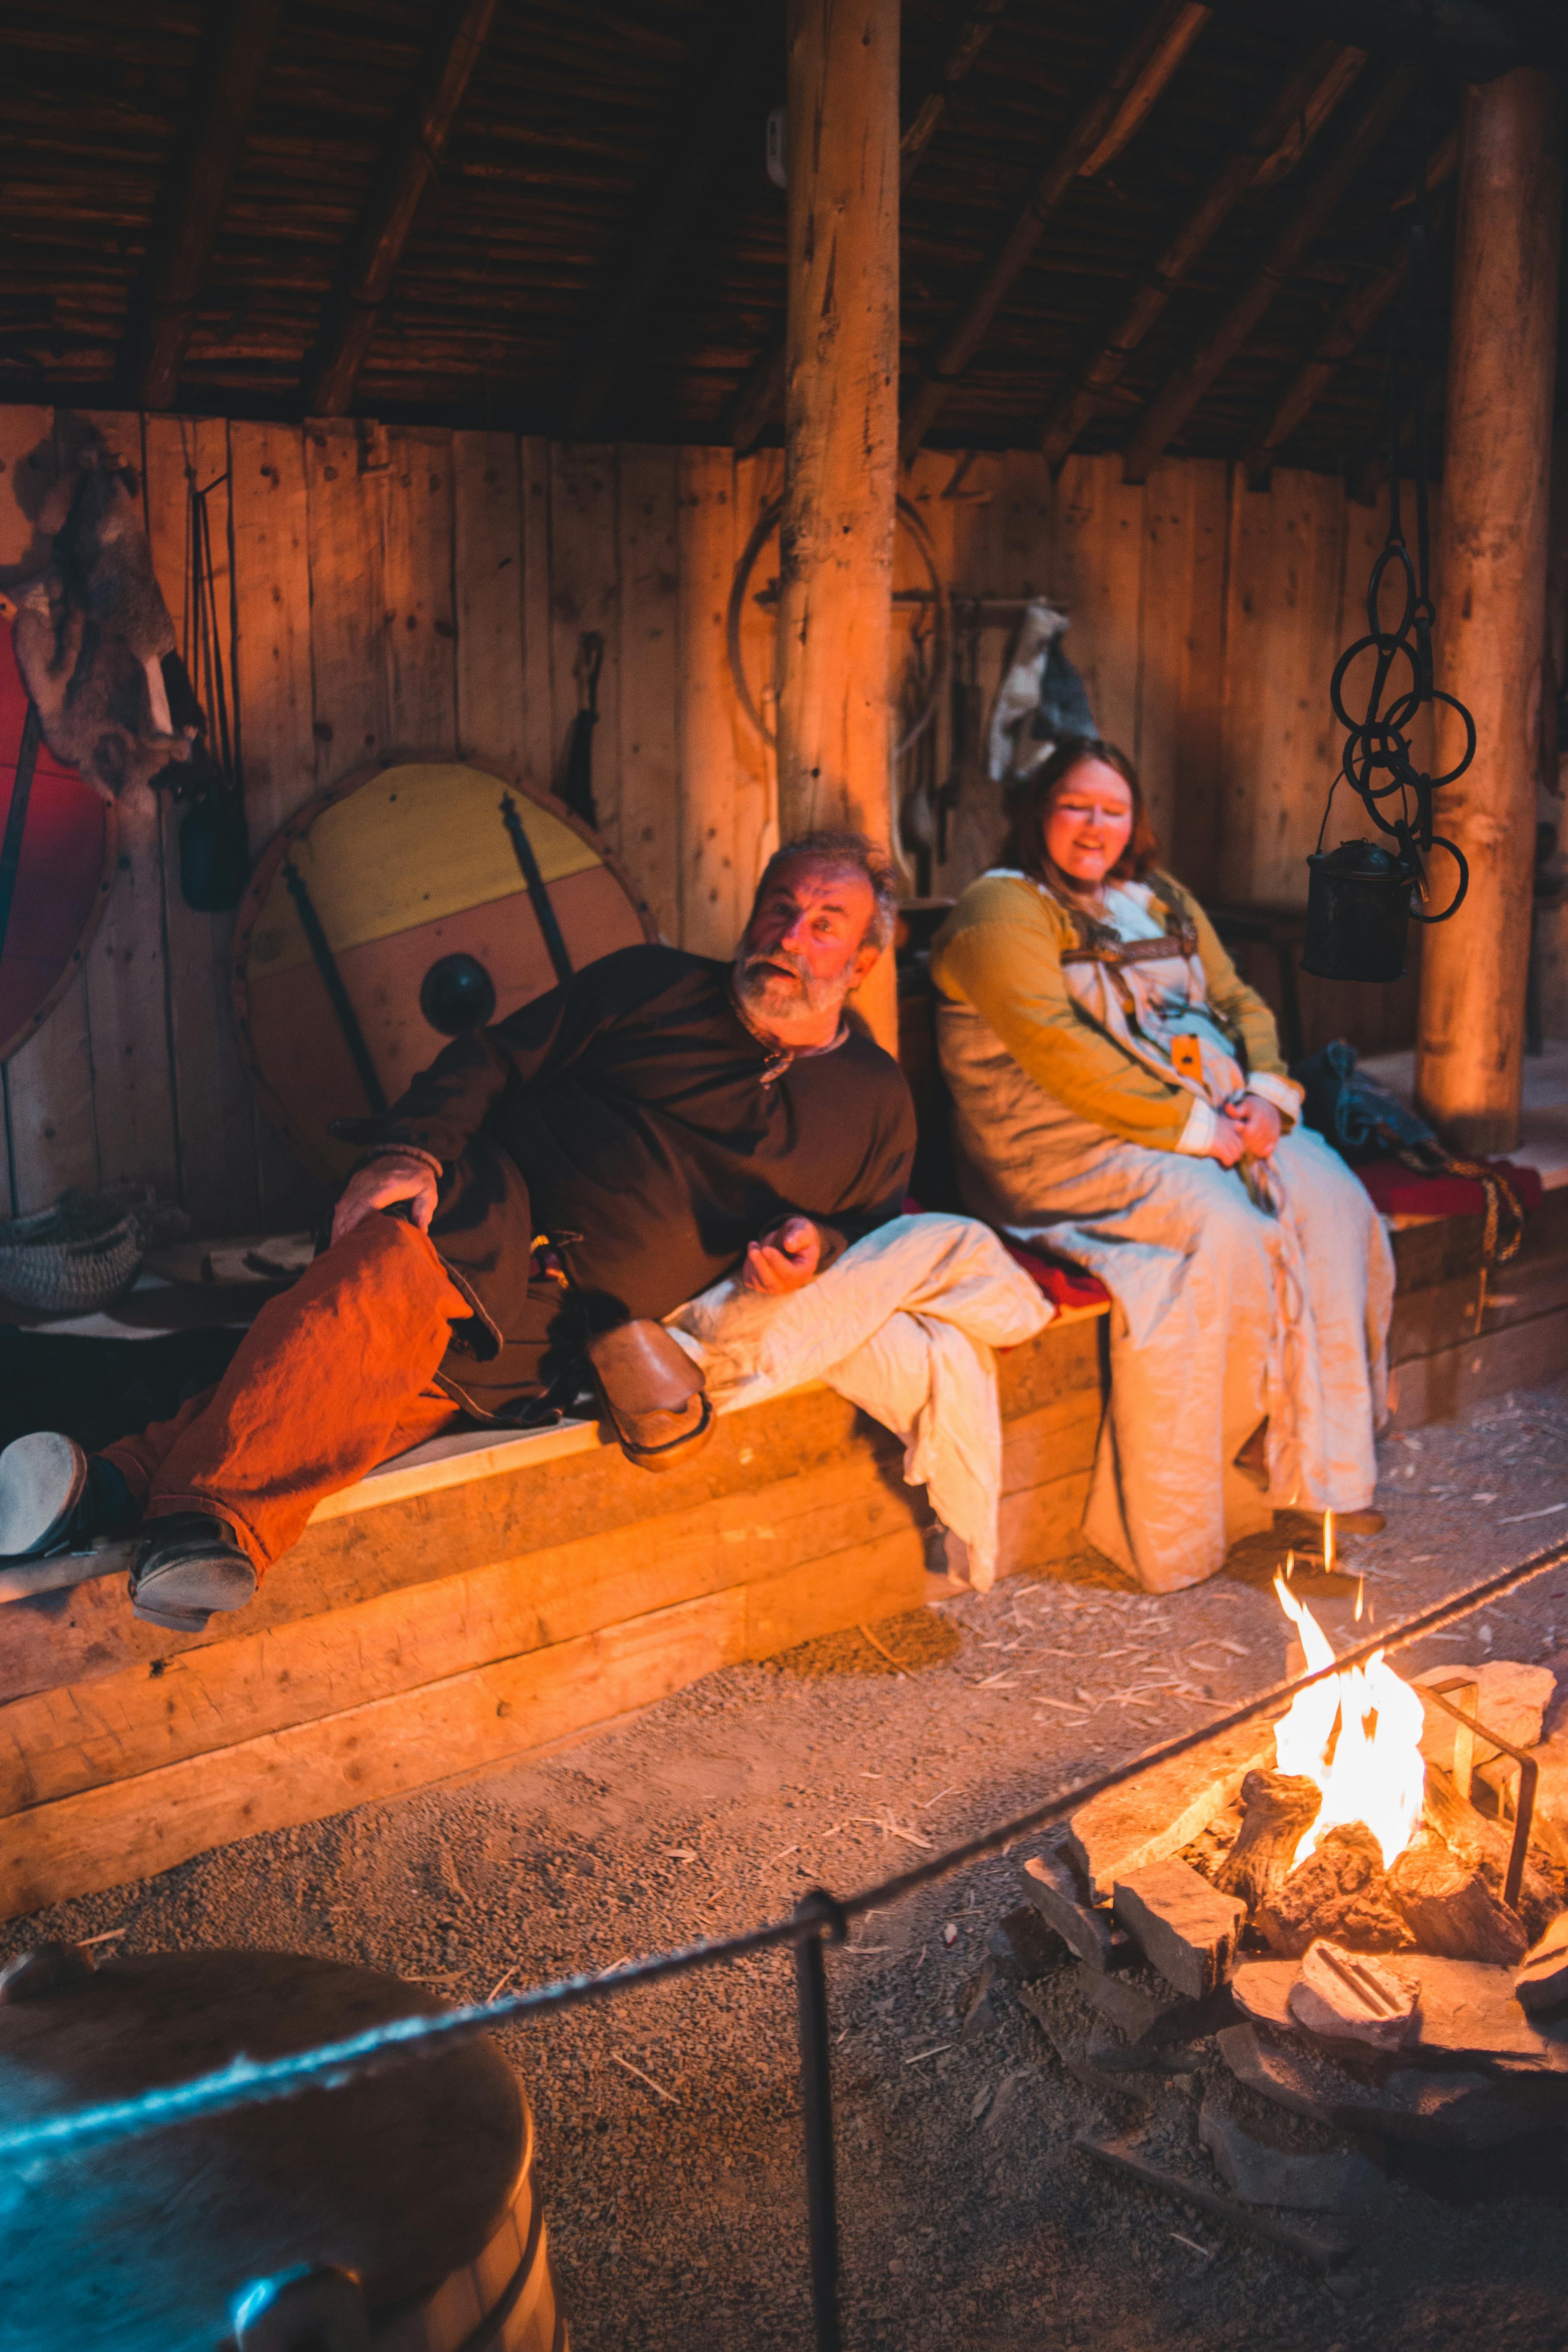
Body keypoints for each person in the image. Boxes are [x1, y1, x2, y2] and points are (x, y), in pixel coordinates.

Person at [0, 832, 916, 1630]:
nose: (789, 937)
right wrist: (414, 1151)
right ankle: (206, 1523)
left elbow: (872, 1225)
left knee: (354, 1399)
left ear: (864, 961)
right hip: (481, 1212)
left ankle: (115, 1487)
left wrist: (818, 1254)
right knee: (377, 1285)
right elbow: (490, 1060)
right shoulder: (654, 985)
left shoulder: (873, 1103)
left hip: (555, 1336)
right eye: (778, 908)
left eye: (824, 922)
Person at [929, 737, 1393, 1593]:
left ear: (1134, 823)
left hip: (1200, 1122)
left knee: (1331, 1203)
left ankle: (1318, 1484)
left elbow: (1238, 999)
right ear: (1039, 813)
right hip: (1063, 1151)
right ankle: (1195, 1516)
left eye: (1114, 809)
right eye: (1076, 806)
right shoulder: (1003, 911)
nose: (1095, 826)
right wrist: (1196, 1129)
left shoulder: (1158, 898)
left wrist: (1264, 1094)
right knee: (1226, 1236)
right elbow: (1057, 1048)